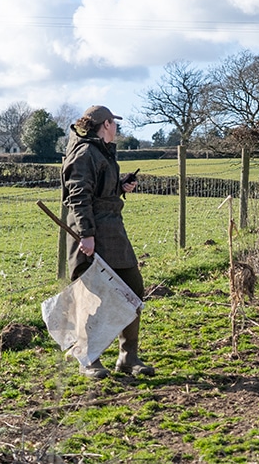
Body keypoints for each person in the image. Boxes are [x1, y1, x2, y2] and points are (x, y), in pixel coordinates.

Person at [61, 105, 154, 379]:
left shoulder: (101, 151)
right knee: (91, 297)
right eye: (115, 124)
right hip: (90, 232)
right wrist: (86, 235)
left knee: (133, 288)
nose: (117, 129)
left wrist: (119, 186)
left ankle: (128, 357)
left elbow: (99, 188)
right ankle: (89, 358)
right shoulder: (85, 153)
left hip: (113, 230)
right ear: (106, 124)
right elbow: (78, 196)